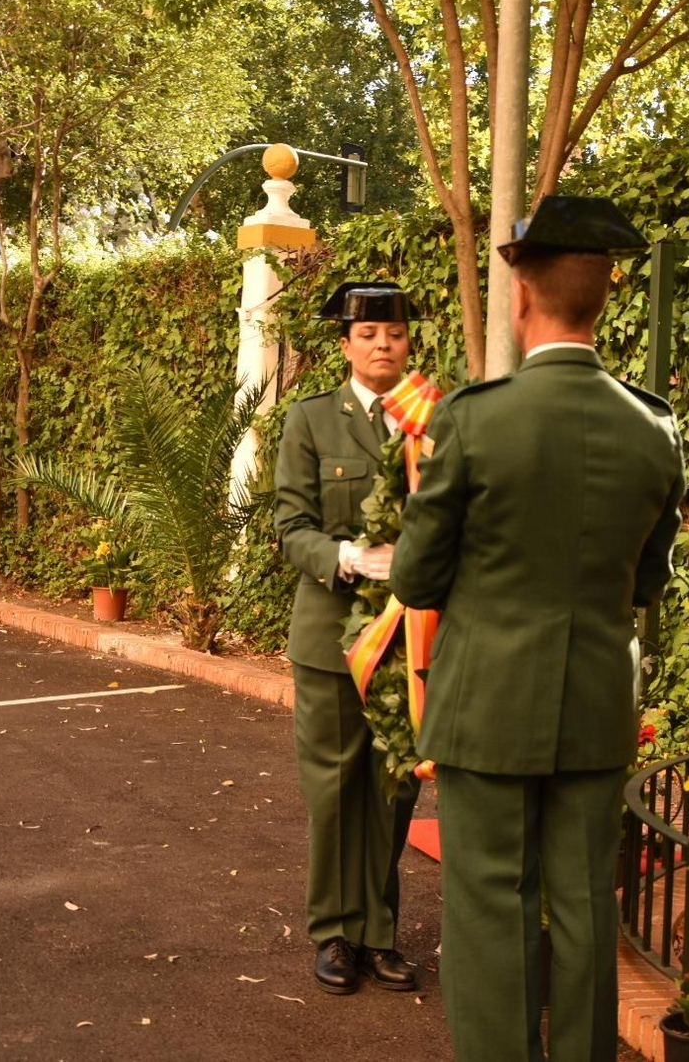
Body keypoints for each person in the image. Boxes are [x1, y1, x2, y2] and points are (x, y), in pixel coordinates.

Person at [390, 197, 686, 1062]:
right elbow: (646, 582)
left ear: (522, 297)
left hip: (488, 705)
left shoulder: (475, 418)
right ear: (603, 298)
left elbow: (414, 577)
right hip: (595, 702)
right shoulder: (654, 427)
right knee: (589, 902)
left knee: (489, 902)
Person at [273, 282, 422, 995]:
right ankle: (334, 931)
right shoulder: (310, 421)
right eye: (368, 334)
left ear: (407, 342)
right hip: (333, 635)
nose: (382, 344)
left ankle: (379, 931)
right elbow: (291, 524)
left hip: (409, 638)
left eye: (393, 333)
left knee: (391, 791)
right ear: (345, 345)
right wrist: (348, 557)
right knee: (334, 789)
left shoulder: (434, 419)